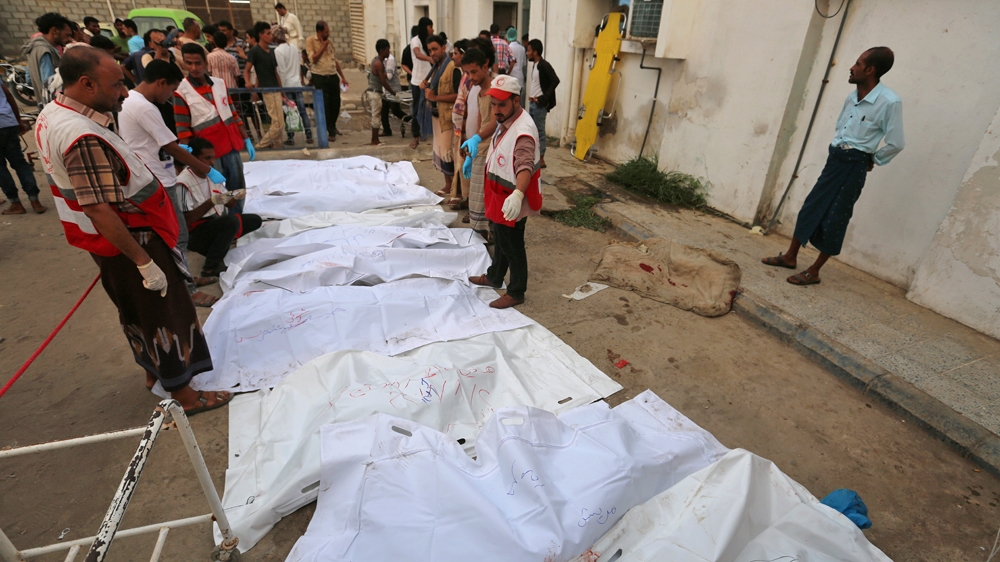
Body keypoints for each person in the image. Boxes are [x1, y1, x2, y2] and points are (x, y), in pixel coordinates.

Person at [36, 47, 229, 413]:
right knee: (165, 314)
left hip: (113, 242)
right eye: (116, 85)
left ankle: (153, 373)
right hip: (132, 239)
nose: (125, 92)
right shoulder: (81, 135)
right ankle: (186, 396)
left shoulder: (54, 113)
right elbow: (98, 208)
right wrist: (144, 262)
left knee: (135, 312)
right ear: (87, 84)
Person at [762, 47, 904, 286]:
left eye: (858, 64)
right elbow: (842, 127)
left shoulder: (889, 102)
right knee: (811, 207)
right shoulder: (852, 96)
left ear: (870, 70)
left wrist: (873, 159)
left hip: (853, 166)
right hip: (835, 160)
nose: (851, 67)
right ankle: (790, 256)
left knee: (836, 217)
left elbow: (896, 142)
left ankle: (815, 271)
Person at [119, 59, 228, 306]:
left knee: (176, 235)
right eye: (170, 90)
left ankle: (186, 278)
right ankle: (187, 291)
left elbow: (159, 143)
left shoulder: (134, 103)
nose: (170, 96)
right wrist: (205, 169)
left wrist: (181, 149)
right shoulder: (144, 107)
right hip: (155, 179)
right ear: (161, 83)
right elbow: (169, 145)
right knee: (177, 236)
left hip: (154, 173)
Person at [467, 75, 543, 309]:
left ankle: (516, 291)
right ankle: (494, 276)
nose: (496, 110)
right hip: (499, 196)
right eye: (493, 104)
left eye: (502, 104)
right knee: (499, 239)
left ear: (516, 102)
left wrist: (518, 195)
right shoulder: (507, 121)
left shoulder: (523, 131)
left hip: (510, 197)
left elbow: (525, 166)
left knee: (512, 245)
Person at [174, 42, 255, 213]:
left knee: (237, 185)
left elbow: (233, 114)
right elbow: (183, 127)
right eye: (189, 63)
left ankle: (237, 218)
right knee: (216, 189)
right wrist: (186, 155)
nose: (194, 67)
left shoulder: (219, 84)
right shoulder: (181, 91)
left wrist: (246, 138)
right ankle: (223, 220)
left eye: (198, 63)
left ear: (206, 63)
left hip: (231, 144)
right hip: (208, 151)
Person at [178, 137, 261, 277]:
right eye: (207, 158)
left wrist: (233, 195)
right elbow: (187, 220)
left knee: (255, 220)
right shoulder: (183, 182)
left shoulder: (212, 175)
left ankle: (218, 246)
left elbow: (230, 204)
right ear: (193, 158)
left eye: (213, 158)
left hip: (214, 223)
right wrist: (212, 202)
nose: (212, 162)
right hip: (195, 232)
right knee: (230, 222)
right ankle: (210, 267)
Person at [423, 35, 460, 199]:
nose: (432, 53)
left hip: (447, 117)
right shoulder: (436, 67)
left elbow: (458, 95)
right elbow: (435, 90)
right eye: (430, 50)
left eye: (435, 49)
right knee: (439, 152)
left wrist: (435, 97)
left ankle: (456, 189)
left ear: (444, 48)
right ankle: (448, 185)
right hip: (436, 115)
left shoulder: (452, 67)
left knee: (448, 153)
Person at [0, 82, 45, 215]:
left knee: (1, 168)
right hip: (8, 123)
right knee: (20, 163)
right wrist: (17, 120)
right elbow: (9, 95)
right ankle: (35, 201)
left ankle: (16, 203)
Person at [245, 23, 285, 150]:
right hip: (267, 90)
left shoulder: (271, 51)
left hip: (275, 88)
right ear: (260, 35)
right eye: (267, 33)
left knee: (277, 121)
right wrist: (247, 82)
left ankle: (277, 145)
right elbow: (247, 70)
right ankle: (260, 145)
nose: (270, 36)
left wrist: (281, 89)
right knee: (279, 122)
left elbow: (275, 72)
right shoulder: (255, 51)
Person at [306, 22, 348, 141]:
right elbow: (313, 59)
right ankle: (330, 131)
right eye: (326, 32)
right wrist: (323, 46)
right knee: (325, 104)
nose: (328, 34)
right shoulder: (311, 41)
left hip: (332, 76)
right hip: (320, 76)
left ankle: (332, 126)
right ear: (319, 32)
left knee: (336, 103)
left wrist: (343, 77)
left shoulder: (330, 43)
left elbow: (334, 60)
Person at [273, 26, 313, 145]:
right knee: (302, 110)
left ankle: (291, 137)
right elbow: (298, 65)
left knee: (289, 112)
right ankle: (309, 135)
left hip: (287, 84)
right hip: (296, 83)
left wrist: (282, 90)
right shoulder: (293, 48)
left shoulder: (278, 51)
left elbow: (282, 71)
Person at [22, 12, 71, 109]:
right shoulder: (44, 51)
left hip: (44, 102)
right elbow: (50, 84)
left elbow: (29, 79)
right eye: (67, 35)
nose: (69, 39)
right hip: (53, 105)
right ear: (54, 31)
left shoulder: (35, 47)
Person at [525, 39, 559, 169]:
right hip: (533, 103)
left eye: (529, 50)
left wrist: (544, 98)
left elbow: (555, 80)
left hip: (539, 105)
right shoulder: (536, 65)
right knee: (532, 130)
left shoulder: (544, 65)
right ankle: (534, 156)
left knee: (540, 131)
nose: (527, 53)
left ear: (535, 52)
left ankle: (541, 158)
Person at [449, 40, 473, 209]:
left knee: (468, 164)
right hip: (460, 128)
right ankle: (465, 197)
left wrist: (464, 124)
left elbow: (470, 105)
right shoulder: (464, 76)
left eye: (456, 53)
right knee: (461, 163)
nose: (453, 56)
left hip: (467, 128)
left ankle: (472, 203)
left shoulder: (470, 78)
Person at [408, 17, 434, 149]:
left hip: (430, 80)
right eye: (430, 27)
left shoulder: (430, 41)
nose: (433, 30)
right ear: (425, 27)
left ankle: (430, 132)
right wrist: (430, 58)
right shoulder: (415, 41)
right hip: (418, 81)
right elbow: (417, 54)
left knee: (431, 106)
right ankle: (416, 136)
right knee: (417, 108)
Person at [364, 39, 395, 146]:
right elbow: (383, 81)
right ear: (382, 50)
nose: (388, 52)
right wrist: (393, 92)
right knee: (376, 116)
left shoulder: (375, 60)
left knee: (376, 115)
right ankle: (374, 139)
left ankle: (375, 139)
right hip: (374, 92)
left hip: (372, 92)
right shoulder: (379, 63)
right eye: (387, 50)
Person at [380, 50, 407, 137]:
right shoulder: (384, 59)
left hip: (393, 90)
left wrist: (379, 72)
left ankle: (413, 121)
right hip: (387, 91)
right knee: (384, 111)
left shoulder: (390, 60)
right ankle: (386, 130)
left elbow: (389, 76)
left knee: (396, 111)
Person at [507, 27, 526, 94]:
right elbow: (524, 64)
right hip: (520, 78)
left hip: (511, 77)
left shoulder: (508, 47)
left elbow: (507, 64)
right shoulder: (522, 48)